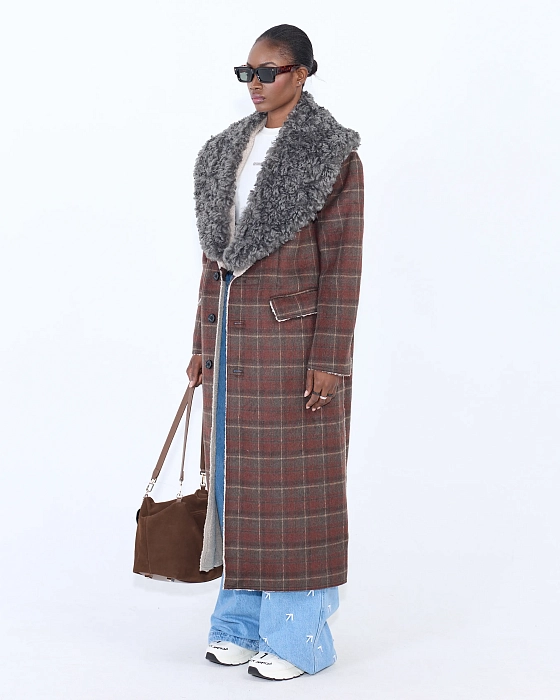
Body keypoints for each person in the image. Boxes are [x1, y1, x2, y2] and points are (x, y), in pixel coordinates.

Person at [186, 24, 364, 681]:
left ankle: (298, 638)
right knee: (235, 485)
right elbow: (216, 261)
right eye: (247, 73)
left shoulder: (332, 154)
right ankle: (238, 623)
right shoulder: (224, 150)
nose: (255, 84)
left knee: (294, 495)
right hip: (231, 344)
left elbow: (343, 266)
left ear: (303, 73)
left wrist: (330, 358)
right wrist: (201, 342)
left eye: (269, 72)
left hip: (295, 346)